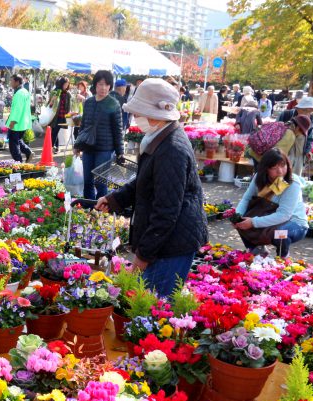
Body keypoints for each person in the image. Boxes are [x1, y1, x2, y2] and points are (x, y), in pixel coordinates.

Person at [96, 78, 207, 297]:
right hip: (167, 240)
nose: (136, 117)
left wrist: (143, 256)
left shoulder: (171, 149)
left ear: (157, 114)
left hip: (173, 244)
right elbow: (144, 182)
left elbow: (166, 211)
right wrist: (115, 199)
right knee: (145, 305)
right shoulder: (159, 137)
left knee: (152, 307)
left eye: (138, 112)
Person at [232, 148, 308, 257]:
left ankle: (282, 260)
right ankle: (257, 252)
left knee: (280, 235)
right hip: (270, 215)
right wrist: (237, 217)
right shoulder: (260, 177)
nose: (280, 171)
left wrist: (253, 222)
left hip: (294, 222)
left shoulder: (292, 183)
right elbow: (246, 199)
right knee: (241, 222)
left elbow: (284, 215)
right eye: (274, 167)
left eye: (283, 166)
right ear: (266, 168)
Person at [74, 70, 123, 200]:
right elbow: (83, 125)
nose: (103, 87)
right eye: (100, 84)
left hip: (105, 149)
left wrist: (120, 152)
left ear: (110, 86)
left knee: (100, 183)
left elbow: (118, 130)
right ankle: (88, 208)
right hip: (88, 147)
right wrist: (77, 145)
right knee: (88, 181)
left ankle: (101, 212)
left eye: (106, 85)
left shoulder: (114, 103)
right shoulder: (89, 102)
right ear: (95, 84)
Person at [6, 74, 33, 163]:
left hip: (17, 123)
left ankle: (18, 163)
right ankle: (28, 152)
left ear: (17, 82)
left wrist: (13, 121)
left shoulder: (19, 93)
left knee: (13, 145)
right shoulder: (24, 91)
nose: (10, 83)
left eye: (12, 81)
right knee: (18, 141)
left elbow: (17, 109)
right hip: (23, 122)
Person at [49, 77, 71, 151]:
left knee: (55, 131)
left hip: (62, 116)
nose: (66, 86)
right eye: (65, 84)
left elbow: (68, 106)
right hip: (53, 116)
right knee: (54, 132)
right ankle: (54, 147)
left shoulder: (67, 94)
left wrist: (68, 115)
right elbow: (49, 105)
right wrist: (53, 100)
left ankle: (53, 147)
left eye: (67, 85)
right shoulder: (55, 92)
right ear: (61, 84)